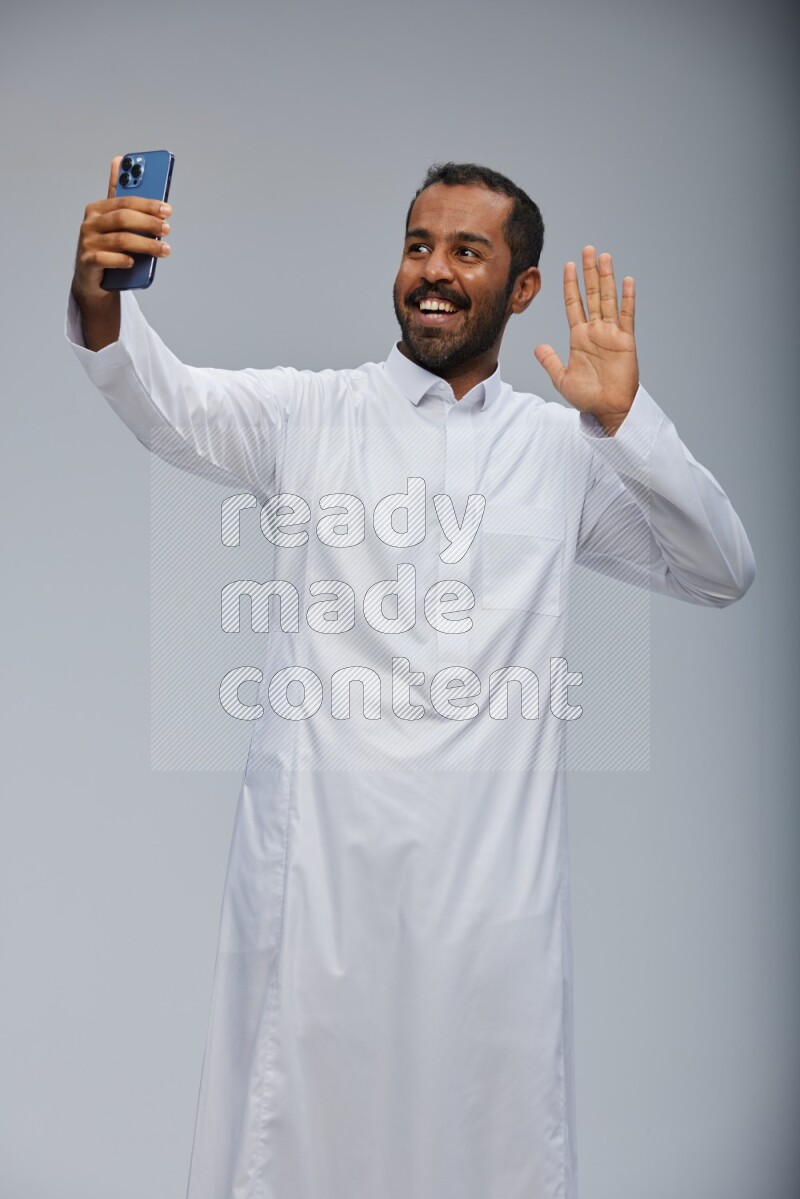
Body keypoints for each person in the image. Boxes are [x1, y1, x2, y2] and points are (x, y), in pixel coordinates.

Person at [67, 157, 755, 1199]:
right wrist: (100, 298)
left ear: (522, 287)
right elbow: (166, 399)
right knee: (295, 1145)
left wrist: (627, 424)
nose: (432, 271)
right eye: (417, 245)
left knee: (486, 1148)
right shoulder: (312, 414)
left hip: (490, 899)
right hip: (318, 885)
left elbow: (719, 570)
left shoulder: (560, 451)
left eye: (466, 252)